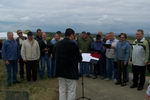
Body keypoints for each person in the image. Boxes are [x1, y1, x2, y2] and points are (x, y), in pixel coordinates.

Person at [52, 28, 82, 100]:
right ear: (71, 35)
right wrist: (79, 53)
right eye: (73, 35)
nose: (74, 37)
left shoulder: (58, 44)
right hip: (71, 71)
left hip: (60, 71)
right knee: (71, 91)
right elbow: (79, 59)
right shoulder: (73, 45)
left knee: (62, 90)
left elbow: (53, 56)